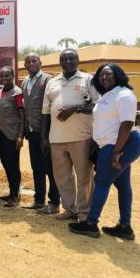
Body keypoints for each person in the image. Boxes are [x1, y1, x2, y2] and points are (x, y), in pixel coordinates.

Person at [69, 64, 140, 239]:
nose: (104, 77)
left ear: (118, 75)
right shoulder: (108, 95)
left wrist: (116, 152)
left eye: (108, 74)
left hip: (121, 143)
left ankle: (91, 224)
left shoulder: (124, 95)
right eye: (101, 75)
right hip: (112, 143)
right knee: (123, 184)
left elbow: (127, 124)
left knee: (101, 181)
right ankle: (125, 226)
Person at [42, 49, 99, 222]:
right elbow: (45, 111)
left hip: (81, 138)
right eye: (64, 59)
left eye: (71, 58)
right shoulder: (52, 82)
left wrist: (75, 109)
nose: (68, 61)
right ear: (60, 61)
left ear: (78, 60)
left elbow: (97, 106)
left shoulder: (88, 80)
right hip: (56, 139)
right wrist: (44, 137)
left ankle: (83, 212)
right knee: (62, 178)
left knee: (84, 177)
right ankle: (69, 209)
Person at [21, 53, 60, 214]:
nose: (31, 63)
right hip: (31, 131)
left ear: (40, 63)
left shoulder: (47, 80)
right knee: (36, 167)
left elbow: (49, 107)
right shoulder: (25, 82)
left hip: (45, 132)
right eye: (28, 61)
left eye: (34, 61)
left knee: (50, 169)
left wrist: (45, 135)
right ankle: (38, 200)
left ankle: (54, 202)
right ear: (25, 65)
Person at [0, 66, 24, 207]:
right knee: (6, 165)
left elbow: (23, 117)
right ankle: (12, 192)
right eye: (2, 76)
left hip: (12, 135)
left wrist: (20, 137)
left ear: (13, 76)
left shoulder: (17, 93)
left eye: (7, 76)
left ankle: (15, 195)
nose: (4, 78)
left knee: (13, 166)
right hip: (0, 136)